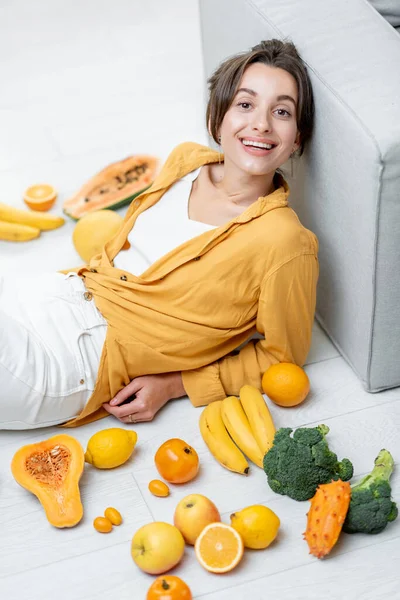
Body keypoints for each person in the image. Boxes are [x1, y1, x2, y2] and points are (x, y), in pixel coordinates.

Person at [0, 39, 318, 430]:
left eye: (282, 111)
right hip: (44, 296)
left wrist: (176, 385)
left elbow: (280, 358)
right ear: (218, 116)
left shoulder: (284, 241)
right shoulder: (186, 161)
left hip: (73, 359)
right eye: (245, 104)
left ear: (298, 137)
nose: (261, 123)